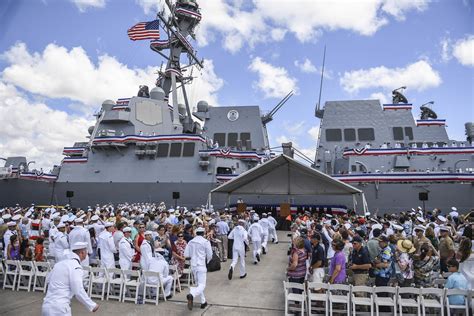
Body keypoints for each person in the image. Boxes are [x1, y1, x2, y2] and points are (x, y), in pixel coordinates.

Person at [42, 242, 99, 315]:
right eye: (86, 252)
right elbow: (78, 290)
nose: (87, 254)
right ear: (82, 253)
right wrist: (92, 305)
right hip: (60, 308)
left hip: (47, 305)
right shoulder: (75, 266)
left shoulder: (59, 264)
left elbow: (48, 280)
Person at [185, 226, 213, 310]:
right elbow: (210, 255)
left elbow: (186, 255)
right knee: (202, 285)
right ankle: (192, 294)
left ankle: (203, 302)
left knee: (198, 284)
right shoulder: (205, 242)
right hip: (201, 264)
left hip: (193, 265)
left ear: (196, 233)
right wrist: (207, 261)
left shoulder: (191, 242)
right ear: (203, 233)